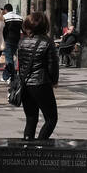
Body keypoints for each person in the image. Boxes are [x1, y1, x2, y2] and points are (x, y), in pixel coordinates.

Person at [15, 12, 60, 140]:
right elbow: (53, 65)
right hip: (41, 83)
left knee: (31, 118)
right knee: (51, 119)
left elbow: (21, 63)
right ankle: (40, 145)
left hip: (25, 83)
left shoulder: (22, 41)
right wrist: (54, 81)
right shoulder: (47, 42)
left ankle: (27, 145)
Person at [1, 3, 23, 78]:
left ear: (5, 10)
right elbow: (23, 30)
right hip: (17, 39)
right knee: (11, 58)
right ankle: (6, 76)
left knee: (9, 58)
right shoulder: (19, 17)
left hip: (7, 39)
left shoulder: (4, 17)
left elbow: (2, 29)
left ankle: (11, 76)